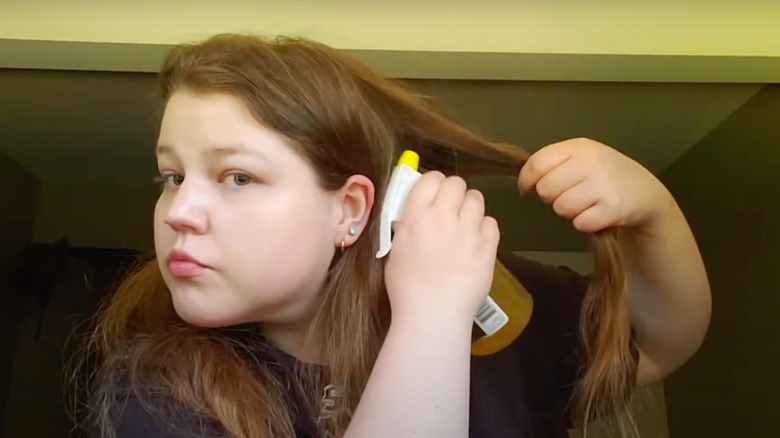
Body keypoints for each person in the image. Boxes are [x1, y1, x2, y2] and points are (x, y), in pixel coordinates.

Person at [72, 33, 711, 438]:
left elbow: (650, 348)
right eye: (172, 176)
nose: (180, 210)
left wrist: (655, 213)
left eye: (237, 176)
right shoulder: (162, 390)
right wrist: (429, 316)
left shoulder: (492, 306)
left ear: (351, 209)